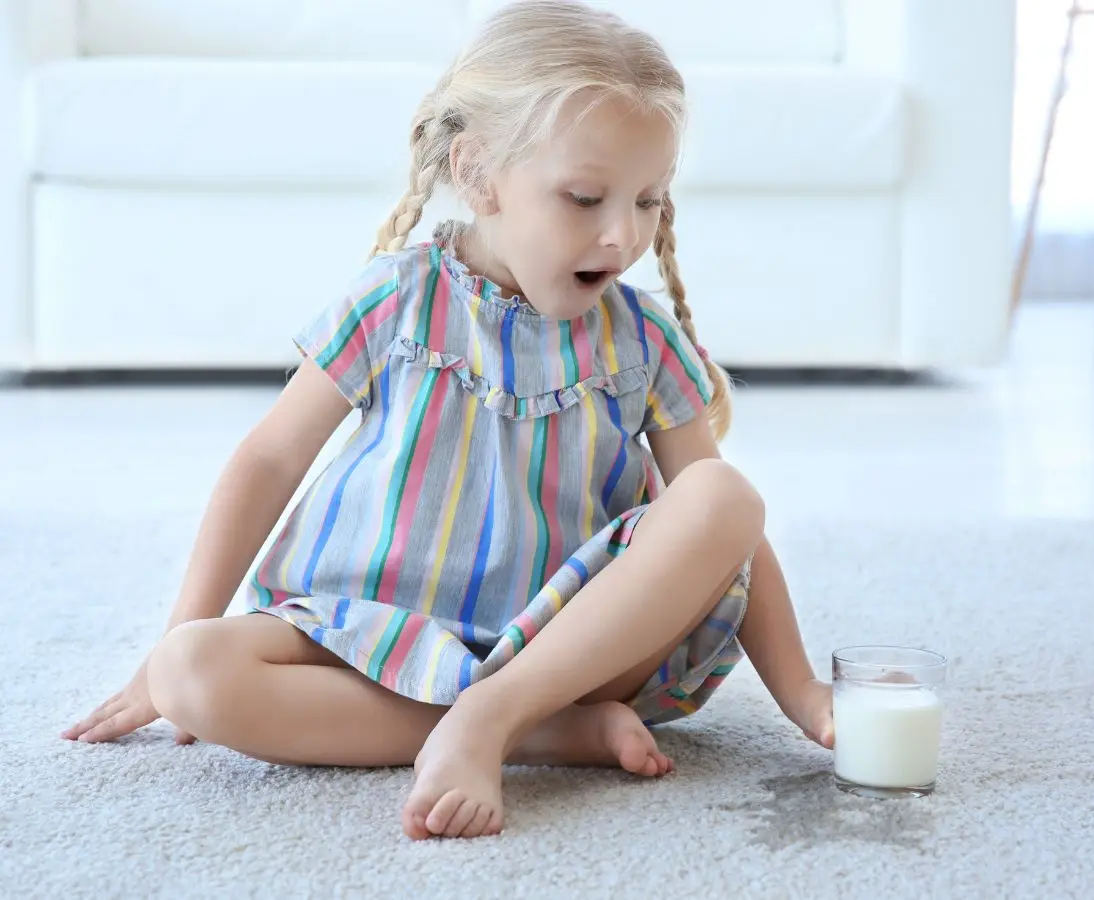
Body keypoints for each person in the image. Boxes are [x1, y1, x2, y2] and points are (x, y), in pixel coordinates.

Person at [62, 0, 834, 840]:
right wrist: (175, 637)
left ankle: (502, 710)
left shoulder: (639, 337)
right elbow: (268, 462)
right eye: (585, 198)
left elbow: (726, 533)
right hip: (378, 631)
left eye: (651, 201)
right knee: (190, 673)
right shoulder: (398, 301)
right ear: (476, 175)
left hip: (571, 642)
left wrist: (801, 692)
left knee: (722, 493)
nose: (624, 235)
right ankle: (537, 735)